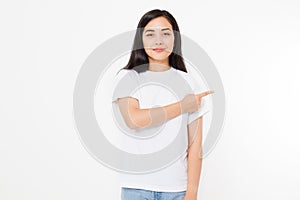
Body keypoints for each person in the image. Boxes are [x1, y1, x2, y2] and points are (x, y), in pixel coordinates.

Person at [112, 9, 214, 200]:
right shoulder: (128, 77)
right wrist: (183, 105)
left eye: (165, 33)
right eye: (150, 34)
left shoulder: (189, 82)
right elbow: (135, 120)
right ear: (140, 40)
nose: (158, 41)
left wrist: (192, 192)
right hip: (137, 188)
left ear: (175, 38)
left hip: (177, 190)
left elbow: (194, 146)